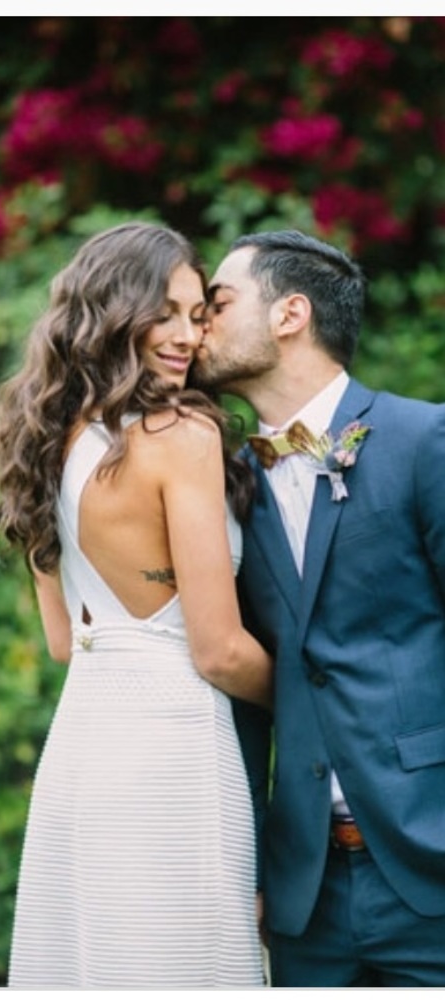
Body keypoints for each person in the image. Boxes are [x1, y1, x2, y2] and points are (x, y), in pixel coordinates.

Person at [0, 222, 273, 988]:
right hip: (175, 750)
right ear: (115, 314)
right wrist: (317, 693)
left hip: (86, 746)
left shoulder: (41, 439)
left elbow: (60, 642)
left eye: (197, 314)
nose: (187, 336)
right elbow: (218, 649)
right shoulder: (180, 437)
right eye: (166, 314)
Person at [193, 229, 445, 987]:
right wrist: (252, 864)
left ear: (290, 313)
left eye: (218, 303)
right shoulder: (222, 483)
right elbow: (237, 696)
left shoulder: (422, 440)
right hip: (304, 894)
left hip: (430, 866)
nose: (196, 326)